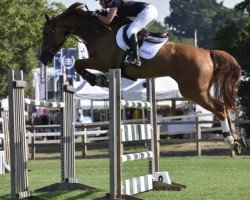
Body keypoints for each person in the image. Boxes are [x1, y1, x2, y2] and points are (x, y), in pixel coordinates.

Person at [94, 0, 158, 67]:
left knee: (131, 31)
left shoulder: (115, 3)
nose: (99, 3)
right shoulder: (115, 4)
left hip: (148, 11)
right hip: (149, 11)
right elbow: (113, 18)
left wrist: (97, 15)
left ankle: (136, 59)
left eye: (100, 0)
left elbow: (107, 21)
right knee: (135, 32)